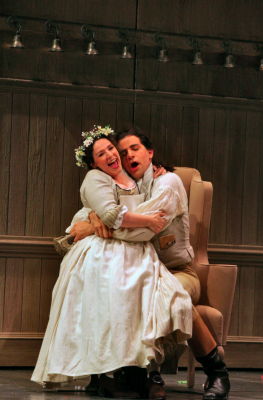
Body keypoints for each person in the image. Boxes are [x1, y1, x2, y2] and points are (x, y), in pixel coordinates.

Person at [31, 125, 192, 397]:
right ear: (92, 163)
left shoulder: (145, 179)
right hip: (106, 250)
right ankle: (106, 372)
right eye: (102, 153)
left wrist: (95, 224)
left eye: (111, 149)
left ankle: (139, 371)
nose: (112, 155)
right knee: (110, 286)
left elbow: (124, 218)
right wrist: (96, 221)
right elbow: (108, 213)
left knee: (141, 289)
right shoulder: (96, 178)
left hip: (138, 249)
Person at [71, 128, 230, 400]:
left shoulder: (167, 183)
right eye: (122, 152)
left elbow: (142, 229)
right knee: (118, 289)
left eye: (134, 148)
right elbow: (91, 212)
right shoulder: (127, 187)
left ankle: (217, 372)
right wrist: (93, 219)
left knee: (170, 295)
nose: (127, 155)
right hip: (141, 269)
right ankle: (130, 375)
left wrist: (99, 226)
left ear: (150, 152)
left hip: (178, 271)